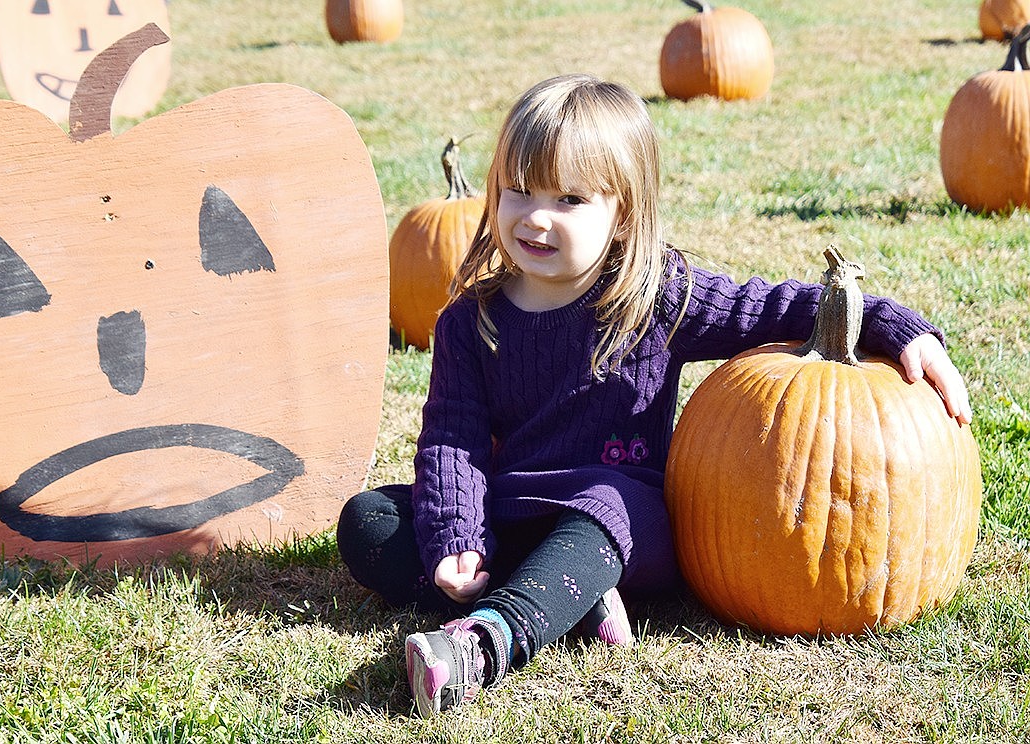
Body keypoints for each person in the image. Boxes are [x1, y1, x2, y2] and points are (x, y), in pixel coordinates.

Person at [336, 73, 972, 718]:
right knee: (370, 522)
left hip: (623, 514)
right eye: (518, 191)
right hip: (513, 506)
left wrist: (894, 325)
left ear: (623, 215)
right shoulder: (471, 323)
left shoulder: (656, 298)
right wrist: (457, 537)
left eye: (570, 198)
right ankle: (569, 598)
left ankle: (487, 640)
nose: (535, 217)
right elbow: (454, 438)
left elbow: (776, 308)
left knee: (602, 508)